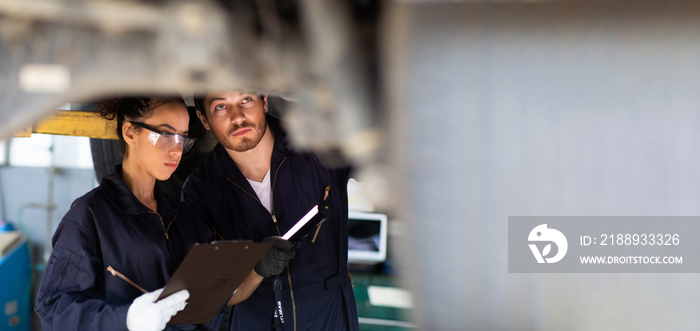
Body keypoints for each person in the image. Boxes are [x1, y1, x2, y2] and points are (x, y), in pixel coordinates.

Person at [35, 96, 223, 330]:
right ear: (130, 132)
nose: (177, 150)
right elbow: (54, 310)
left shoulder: (184, 218)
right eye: (166, 134)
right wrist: (126, 320)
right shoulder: (89, 217)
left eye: (183, 138)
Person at [182, 91, 359, 330]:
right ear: (204, 120)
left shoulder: (315, 146)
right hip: (253, 320)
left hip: (329, 315)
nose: (238, 117)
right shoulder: (200, 190)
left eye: (246, 100)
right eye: (221, 107)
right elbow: (207, 296)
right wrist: (256, 270)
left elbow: (391, 163)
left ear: (264, 101)